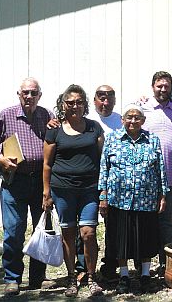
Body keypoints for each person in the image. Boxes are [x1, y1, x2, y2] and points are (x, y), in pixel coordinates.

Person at [0, 78, 55, 296]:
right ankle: (12, 278)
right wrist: (1, 158)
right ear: (19, 94)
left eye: (34, 93)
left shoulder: (47, 116)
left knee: (41, 229)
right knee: (14, 230)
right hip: (14, 181)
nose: (29, 97)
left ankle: (38, 277)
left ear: (40, 95)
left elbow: (56, 142)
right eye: (25, 92)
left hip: (41, 182)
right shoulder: (6, 115)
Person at [42, 84, 104, 297]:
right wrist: (46, 192)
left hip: (89, 190)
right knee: (68, 233)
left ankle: (91, 277)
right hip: (62, 190)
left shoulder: (94, 127)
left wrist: (103, 191)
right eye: (70, 102)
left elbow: (102, 161)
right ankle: (71, 277)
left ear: (85, 104)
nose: (75, 106)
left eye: (79, 102)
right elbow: (47, 164)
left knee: (88, 233)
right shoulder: (54, 129)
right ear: (63, 104)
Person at [98, 104, 167, 294]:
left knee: (146, 238)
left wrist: (163, 195)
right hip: (119, 199)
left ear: (143, 121)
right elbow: (104, 168)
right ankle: (124, 276)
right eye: (129, 117)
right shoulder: (112, 138)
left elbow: (160, 168)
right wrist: (103, 196)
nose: (133, 121)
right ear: (122, 120)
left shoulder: (152, 139)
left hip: (146, 199)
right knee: (121, 240)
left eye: (137, 117)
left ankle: (145, 275)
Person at [79, 85, 122, 281]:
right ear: (94, 100)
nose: (105, 103)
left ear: (114, 100)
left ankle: (110, 265)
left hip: (113, 181)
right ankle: (83, 267)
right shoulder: (85, 121)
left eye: (109, 99)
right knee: (85, 225)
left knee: (112, 225)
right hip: (88, 179)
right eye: (101, 98)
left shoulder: (120, 120)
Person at [139, 71, 172, 276]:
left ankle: (167, 263)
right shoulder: (142, 108)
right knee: (146, 220)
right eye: (159, 86)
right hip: (147, 177)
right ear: (152, 86)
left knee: (167, 222)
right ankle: (143, 265)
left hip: (170, 175)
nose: (163, 89)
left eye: (166, 86)